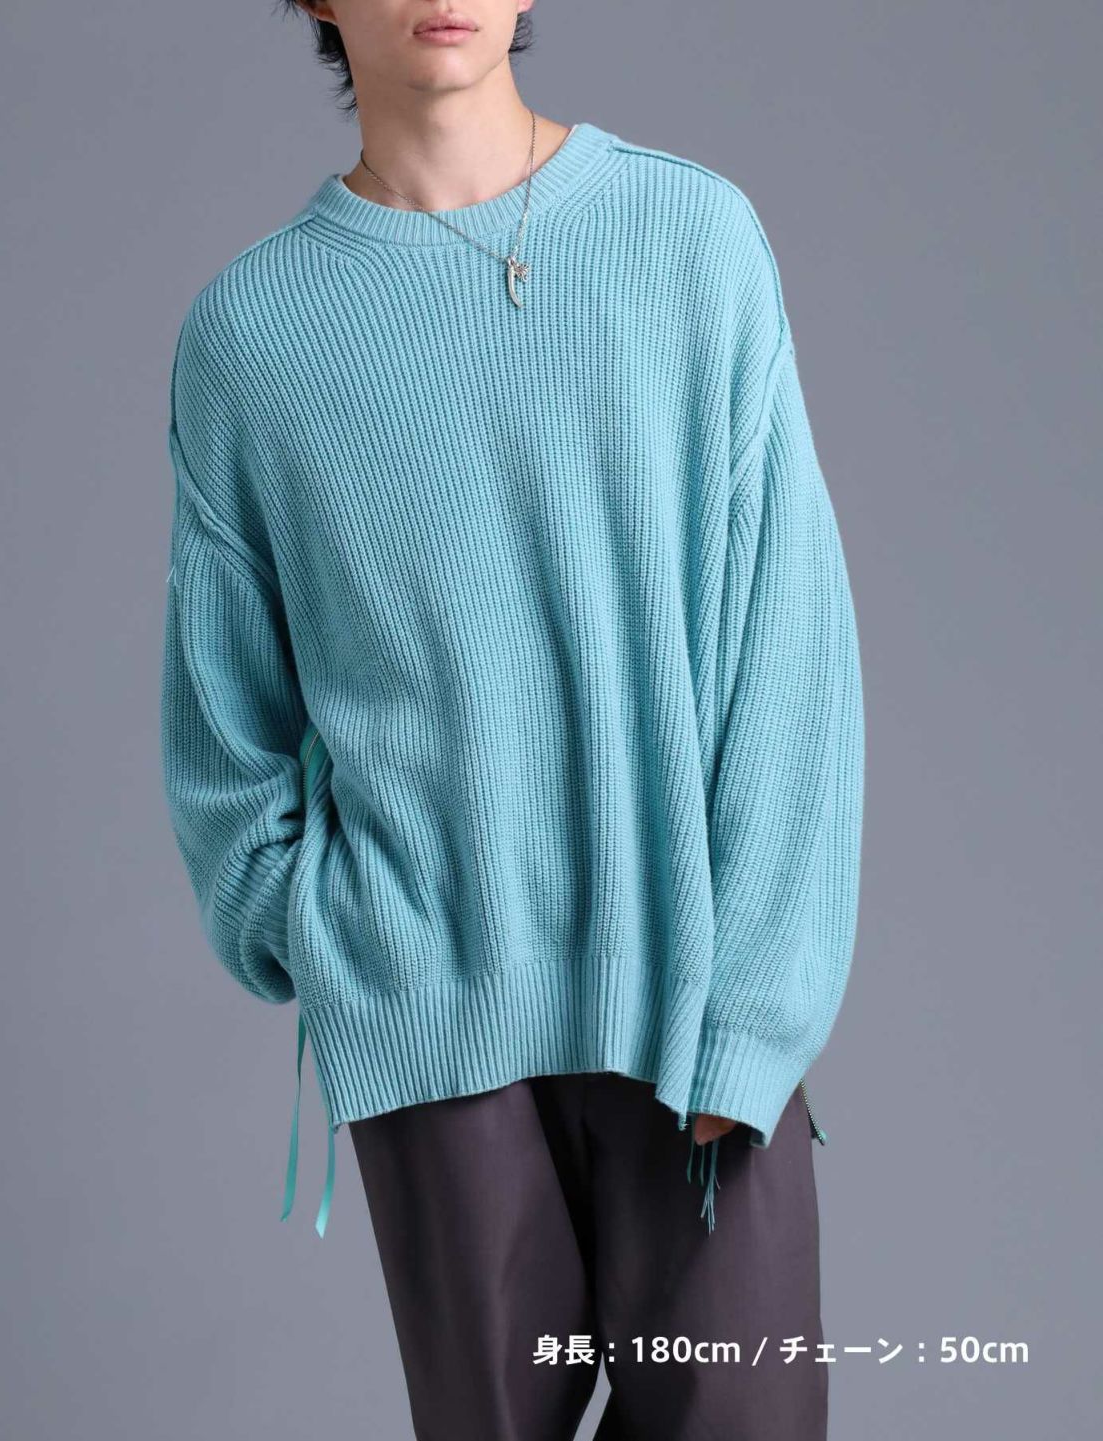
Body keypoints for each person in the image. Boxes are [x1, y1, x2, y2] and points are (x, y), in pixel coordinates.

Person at [158, 2, 865, 1436]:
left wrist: (756, 1013)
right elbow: (222, 728)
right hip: (431, 1028)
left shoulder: (693, 238)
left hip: (692, 1015)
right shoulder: (251, 333)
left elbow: (791, 650)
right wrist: (345, 945)